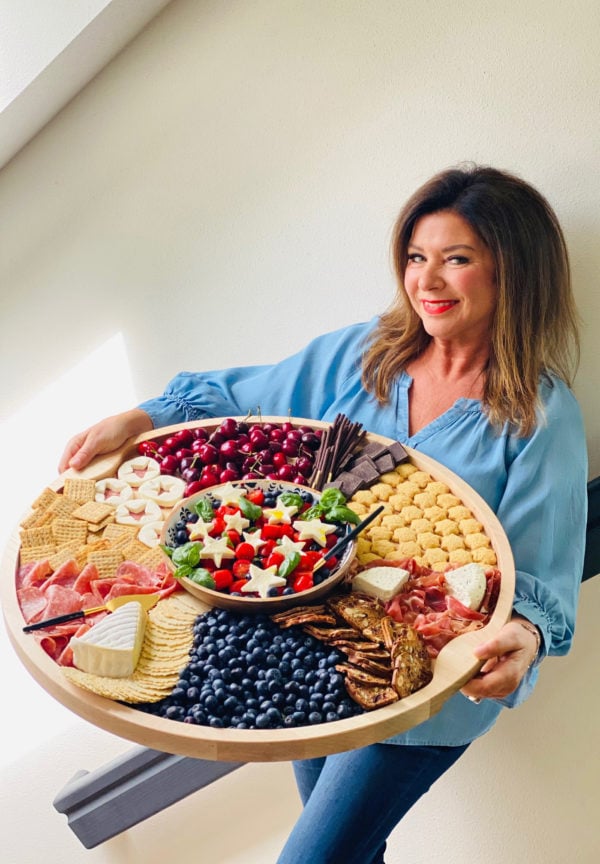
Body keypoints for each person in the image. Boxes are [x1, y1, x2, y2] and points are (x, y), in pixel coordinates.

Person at [59, 165, 588, 864]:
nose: (426, 283)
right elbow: (250, 392)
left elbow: (540, 576)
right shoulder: (366, 355)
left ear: (513, 272)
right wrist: (143, 414)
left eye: (456, 260)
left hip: (427, 690)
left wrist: (524, 640)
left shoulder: (538, 416)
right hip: (314, 646)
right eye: (416, 258)